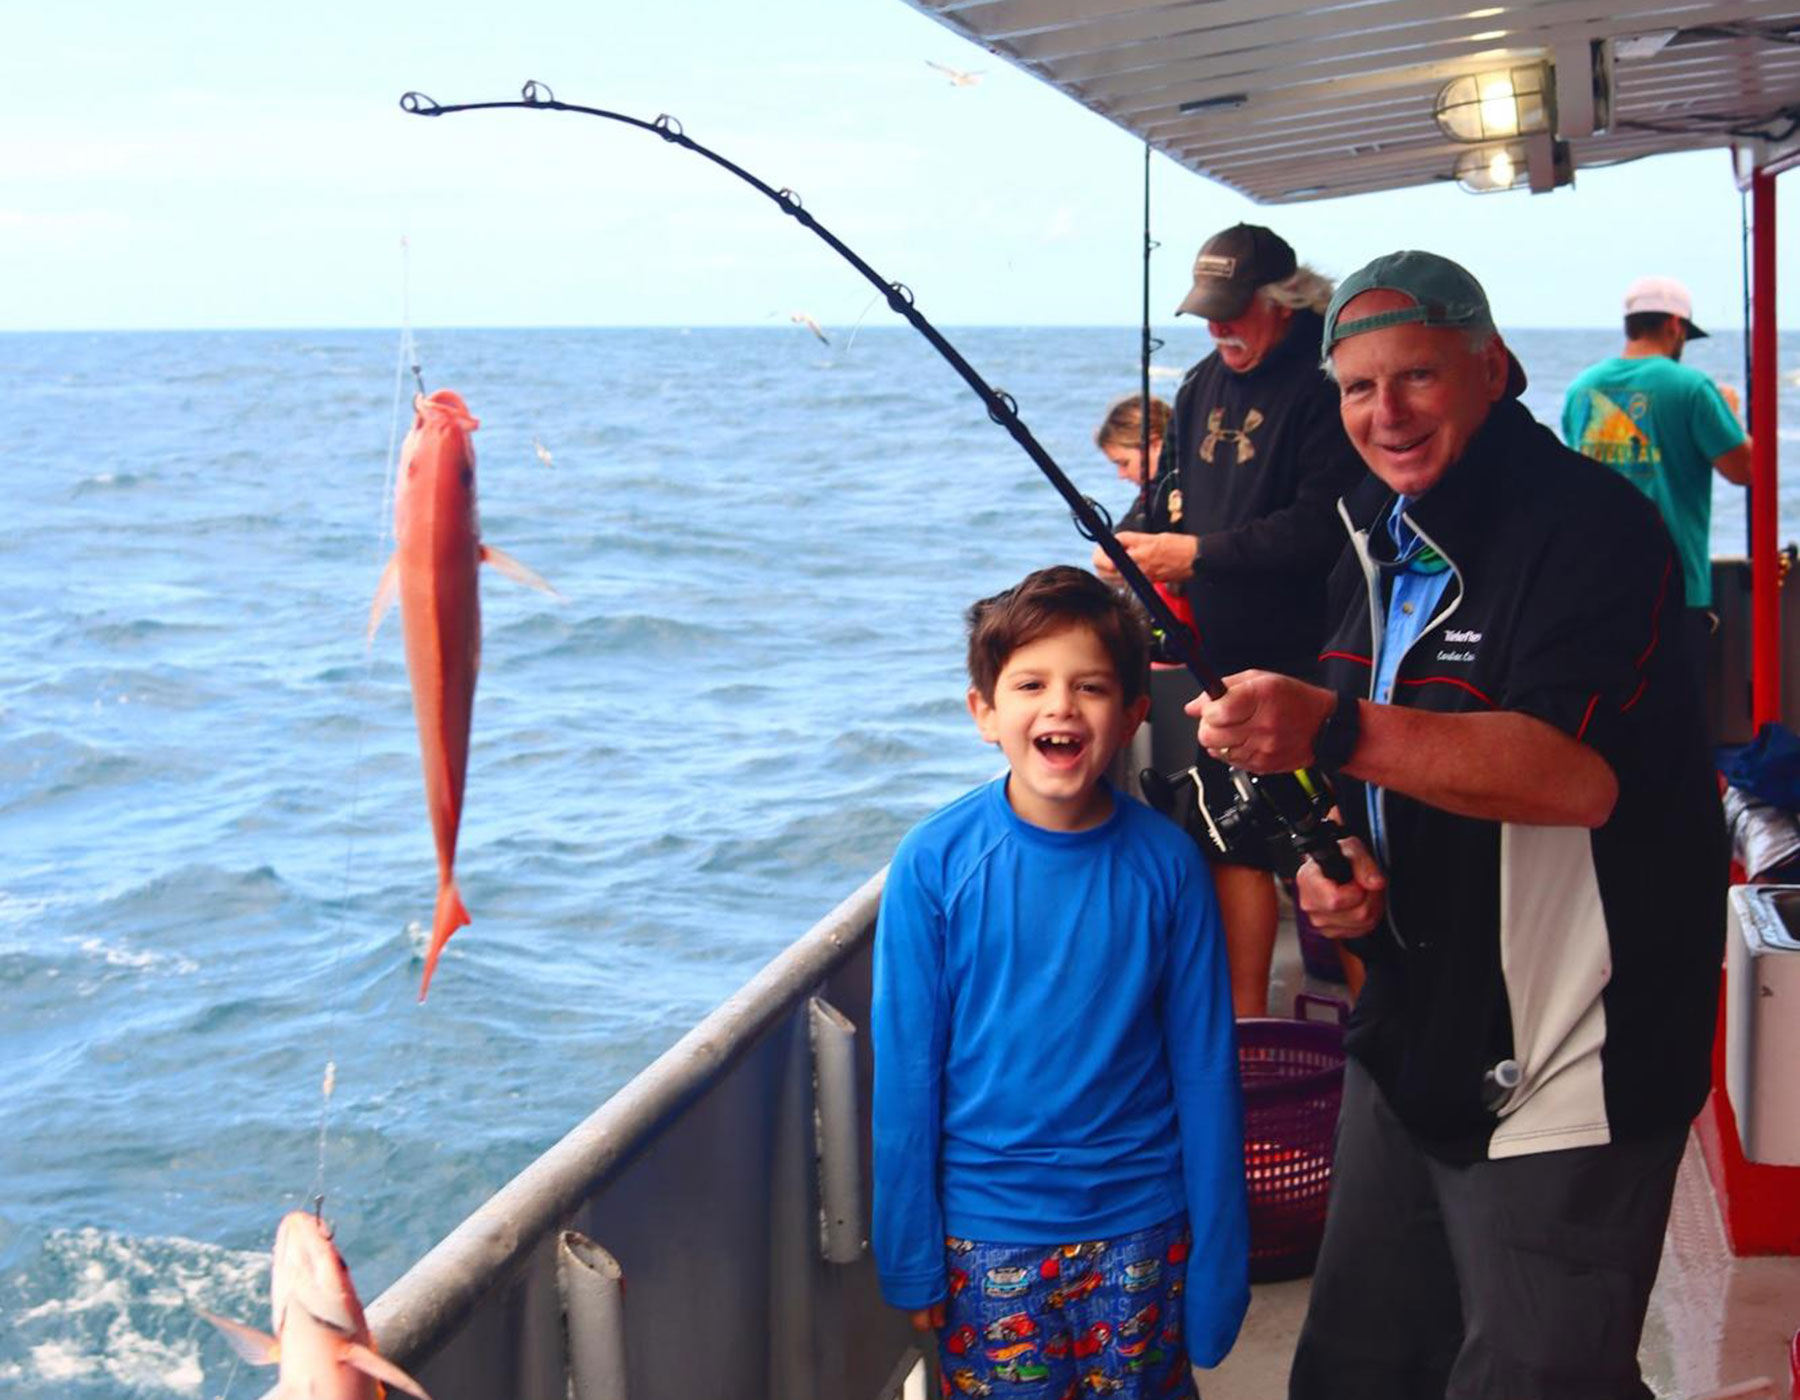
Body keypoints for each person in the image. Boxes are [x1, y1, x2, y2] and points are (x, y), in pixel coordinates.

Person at [1191, 250, 1727, 1400]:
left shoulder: (1592, 529)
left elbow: (1569, 777)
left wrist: (1330, 729)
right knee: (1354, 1369)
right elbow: (1376, 757)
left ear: (1494, 369)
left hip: (1573, 1045)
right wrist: (1333, 863)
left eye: (1419, 376)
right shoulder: (1378, 533)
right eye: (1356, 387)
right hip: (1411, 1022)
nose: (1385, 414)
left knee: (1538, 1374)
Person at [872, 564, 1248, 1399]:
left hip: (1145, 1230)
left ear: (1133, 717)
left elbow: (1207, 1071)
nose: (1060, 707)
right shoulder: (933, 865)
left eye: (1091, 687)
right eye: (1031, 684)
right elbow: (905, 1073)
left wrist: (1223, 1261)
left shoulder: (1171, 866)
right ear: (984, 713)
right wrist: (910, 1255)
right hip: (986, 1241)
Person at [1093, 223, 1366, 1017]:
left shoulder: (1326, 385)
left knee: (1338, 852)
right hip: (1222, 667)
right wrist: (1134, 541)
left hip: (1317, 665)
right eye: (1208, 312)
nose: (1217, 328)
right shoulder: (1204, 383)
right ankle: (1246, 1032)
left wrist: (1196, 555)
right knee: (1231, 840)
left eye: (1233, 311)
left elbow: (1323, 527)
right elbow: (1168, 491)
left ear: (1283, 303)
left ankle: (1383, 1036)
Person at [1562, 275, 1753, 674]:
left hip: (1590, 583)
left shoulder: (1581, 389)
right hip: (1675, 587)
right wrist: (1731, 411)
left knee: (1603, 721)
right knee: (1674, 721)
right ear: (1674, 325)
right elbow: (1747, 471)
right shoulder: (1691, 387)